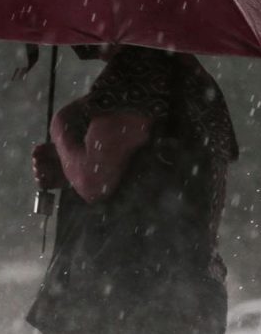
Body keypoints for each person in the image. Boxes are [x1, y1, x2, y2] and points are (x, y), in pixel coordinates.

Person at [26, 44, 238, 334]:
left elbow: (94, 180)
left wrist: (61, 127)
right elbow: (159, 179)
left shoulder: (137, 69)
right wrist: (67, 167)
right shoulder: (198, 82)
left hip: (125, 297)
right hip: (192, 293)